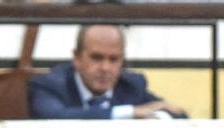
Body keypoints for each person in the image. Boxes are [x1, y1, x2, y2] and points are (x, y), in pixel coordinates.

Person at [28, 24, 186, 119]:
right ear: (76, 57)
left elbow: (177, 116)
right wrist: (129, 112)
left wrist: (161, 116)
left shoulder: (131, 85)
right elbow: (55, 117)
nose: (105, 68)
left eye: (114, 59)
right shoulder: (50, 84)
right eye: (96, 58)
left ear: (122, 60)